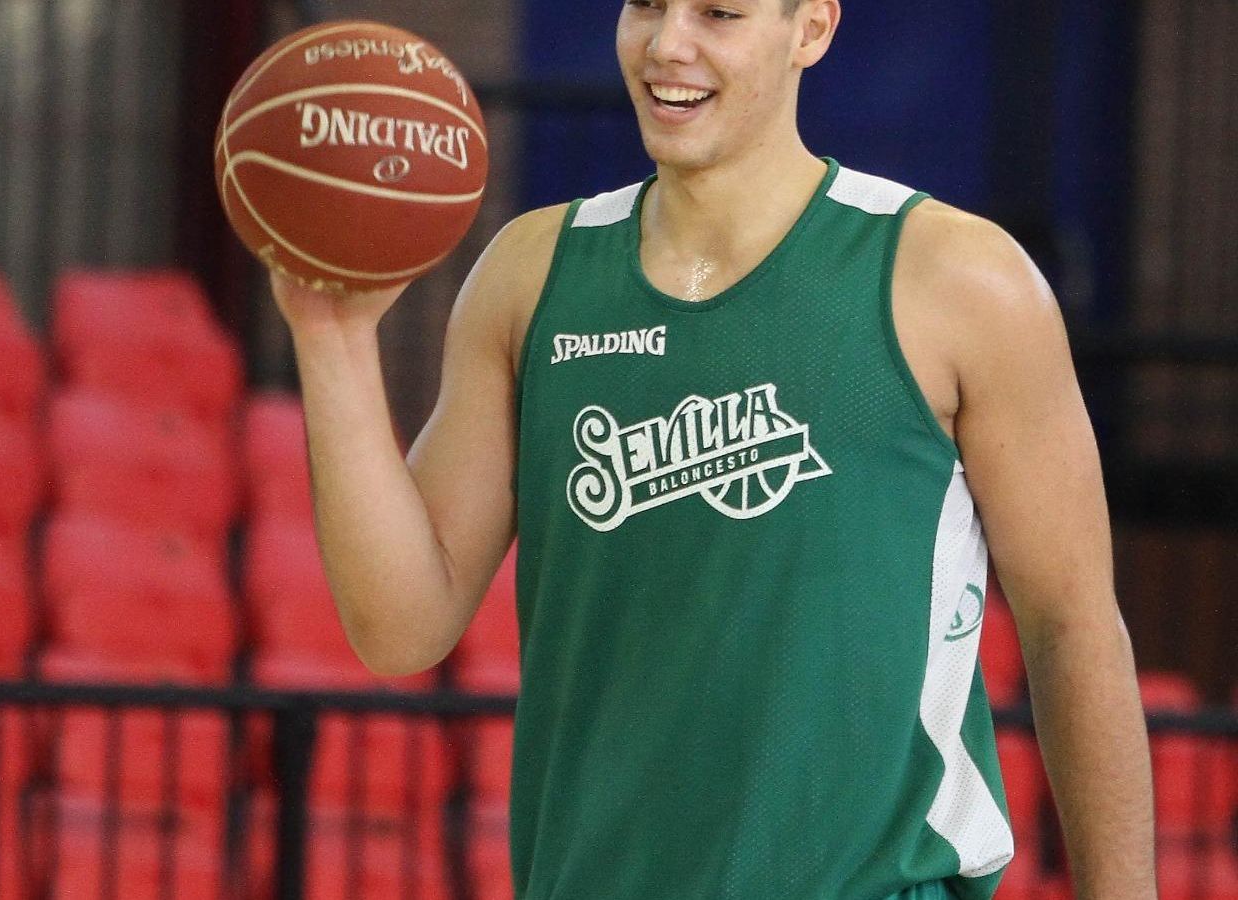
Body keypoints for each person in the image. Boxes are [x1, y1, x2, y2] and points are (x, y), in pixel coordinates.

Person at [266, 0, 1157, 897]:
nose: (667, 45)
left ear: (811, 29)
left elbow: (1073, 626)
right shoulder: (531, 272)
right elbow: (399, 628)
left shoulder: (963, 279)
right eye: (646, 5)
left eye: (718, 13)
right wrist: (332, 337)